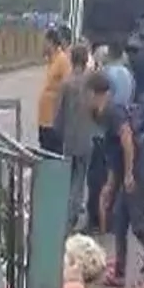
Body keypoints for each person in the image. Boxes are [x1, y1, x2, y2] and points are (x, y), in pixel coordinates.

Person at [87, 71, 144, 288]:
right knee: (120, 220)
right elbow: (114, 154)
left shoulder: (113, 112)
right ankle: (120, 273)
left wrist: (130, 173)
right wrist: (110, 185)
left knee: (138, 223)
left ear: (96, 94)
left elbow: (127, 139)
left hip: (138, 168)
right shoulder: (101, 115)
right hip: (127, 170)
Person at [53, 42, 94, 231]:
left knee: (69, 179)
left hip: (69, 138)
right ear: (85, 60)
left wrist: (58, 131)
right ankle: (73, 214)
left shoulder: (66, 83)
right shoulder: (91, 82)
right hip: (86, 137)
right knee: (80, 178)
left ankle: (66, 215)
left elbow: (58, 114)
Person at [36, 27, 71, 153]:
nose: (42, 46)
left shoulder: (62, 60)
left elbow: (67, 86)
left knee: (53, 155)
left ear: (51, 42)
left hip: (53, 122)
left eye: (44, 42)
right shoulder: (51, 61)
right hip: (44, 121)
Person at [100, 42, 135, 109]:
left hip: (111, 110)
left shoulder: (105, 72)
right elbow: (133, 92)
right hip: (125, 109)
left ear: (108, 54)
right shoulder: (128, 73)